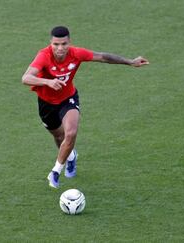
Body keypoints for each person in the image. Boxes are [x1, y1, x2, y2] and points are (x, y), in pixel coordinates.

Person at [21, 26, 149, 188]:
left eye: (64, 44)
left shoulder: (76, 53)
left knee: (71, 132)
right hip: (46, 104)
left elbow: (103, 57)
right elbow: (26, 78)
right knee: (59, 138)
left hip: (68, 99)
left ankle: (55, 172)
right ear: (50, 43)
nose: (60, 48)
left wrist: (130, 61)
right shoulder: (43, 56)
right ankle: (71, 156)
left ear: (70, 42)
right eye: (56, 44)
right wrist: (48, 82)